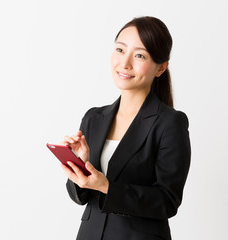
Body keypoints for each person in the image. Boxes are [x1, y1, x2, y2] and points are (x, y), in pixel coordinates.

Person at [61, 16, 191, 240]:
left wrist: (108, 187)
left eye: (139, 55)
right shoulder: (94, 118)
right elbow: (81, 197)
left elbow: (167, 202)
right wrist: (81, 164)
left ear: (161, 68)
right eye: (120, 50)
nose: (125, 63)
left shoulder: (170, 123)